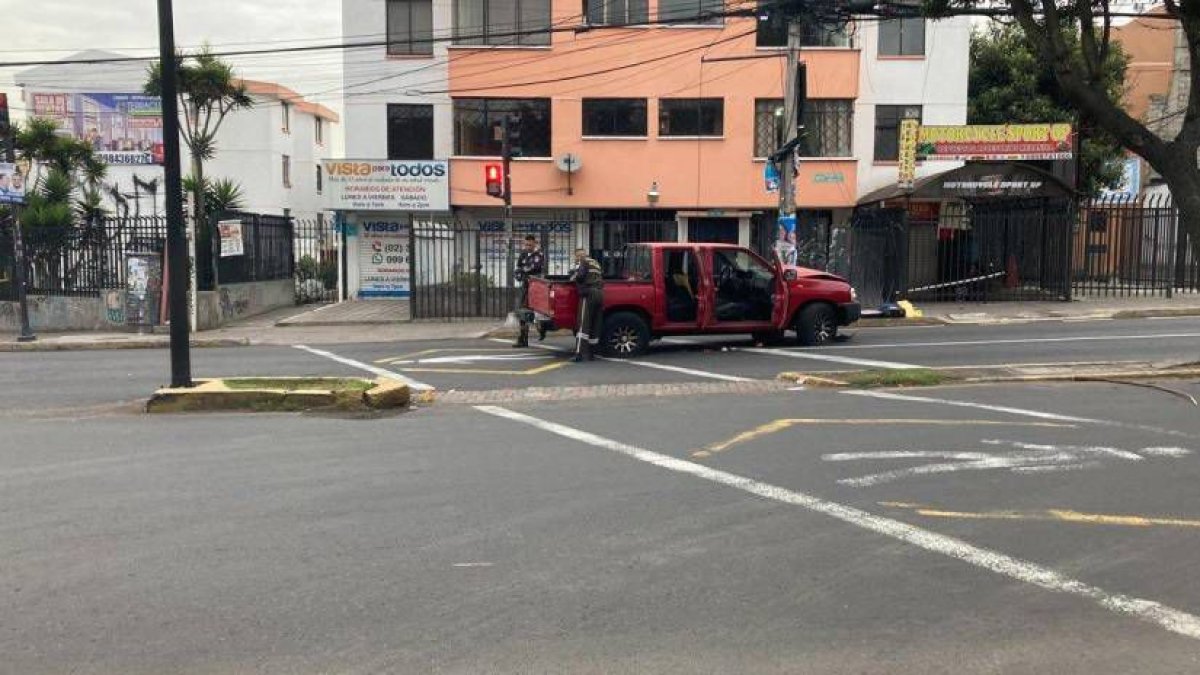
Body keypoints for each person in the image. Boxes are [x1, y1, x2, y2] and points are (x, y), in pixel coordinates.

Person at [571, 248, 604, 362]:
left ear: (580, 256)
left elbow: (580, 277)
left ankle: (579, 354)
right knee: (595, 324)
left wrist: (574, 276)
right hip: (599, 294)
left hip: (588, 294)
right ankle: (592, 353)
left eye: (576, 257)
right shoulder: (596, 263)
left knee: (583, 324)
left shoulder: (584, 262)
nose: (576, 259)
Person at [512, 234, 546, 348]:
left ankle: (542, 330)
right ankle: (523, 338)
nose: (527, 246)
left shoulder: (539, 254)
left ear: (534, 244)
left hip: (536, 286)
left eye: (530, 245)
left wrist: (523, 270)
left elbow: (534, 267)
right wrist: (520, 272)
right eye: (526, 244)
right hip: (525, 285)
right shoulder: (523, 253)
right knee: (522, 311)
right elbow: (519, 267)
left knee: (537, 311)